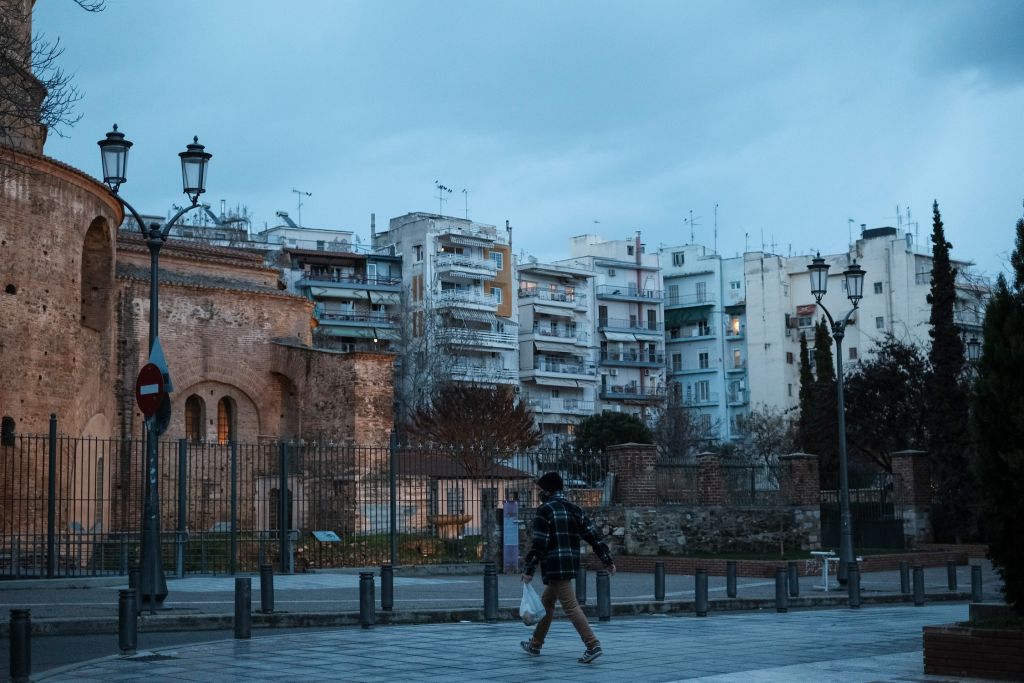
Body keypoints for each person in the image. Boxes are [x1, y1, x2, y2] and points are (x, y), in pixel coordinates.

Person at [520, 471, 616, 664]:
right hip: (569, 563)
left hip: (554, 565)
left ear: (547, 490)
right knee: (546, 603)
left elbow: (540, 543)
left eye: (540, 489)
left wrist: (529, 569)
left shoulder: (544, 510)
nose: (539, 493)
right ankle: (535, 644)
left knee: (571, 607)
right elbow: (593, 535)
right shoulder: (574, 509)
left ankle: (592, 644)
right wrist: (607, 559)